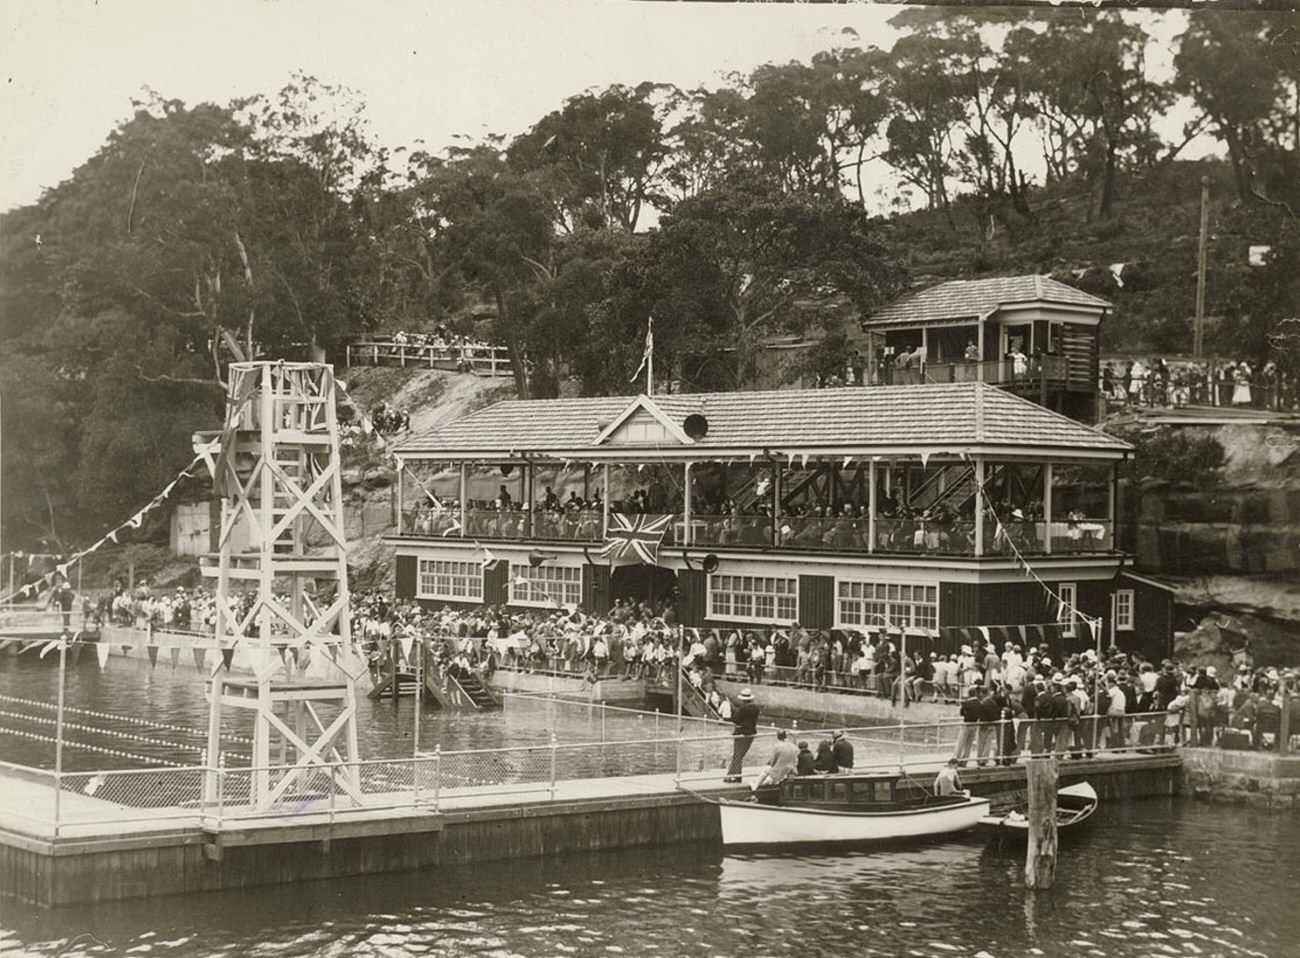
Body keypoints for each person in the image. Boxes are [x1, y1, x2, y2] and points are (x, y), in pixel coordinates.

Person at [725, 688, 760, 783]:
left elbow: (735, 719)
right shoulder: (756, 708)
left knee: (737, 755)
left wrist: (735, 710)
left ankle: (736, 776)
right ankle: (731, 775)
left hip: (741, 733)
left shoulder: (743, 709)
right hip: (751, 733)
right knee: (739, 755)